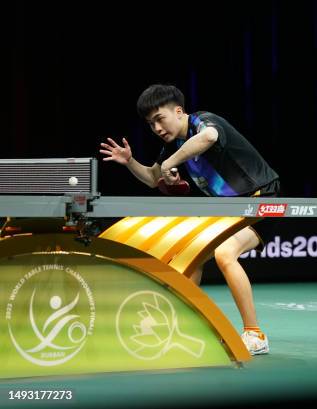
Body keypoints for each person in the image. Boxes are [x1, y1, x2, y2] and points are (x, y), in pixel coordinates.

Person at [99, 84, 280, 355]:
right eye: (151, 124)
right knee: (190, 255)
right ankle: (180, 325)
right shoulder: (174, 146)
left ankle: (255, 334)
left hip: (262, 198)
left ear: (179, 111)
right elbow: (152, 178)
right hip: (231, 212)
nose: (157, 128)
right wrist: (130, 162)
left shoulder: (203, 121)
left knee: (224, 253)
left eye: (160, 119)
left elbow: (208, 137)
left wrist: (171, 162)